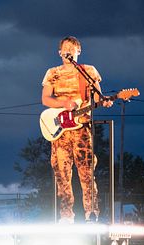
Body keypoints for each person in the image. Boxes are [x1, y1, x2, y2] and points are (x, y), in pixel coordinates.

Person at [41, 35, 112, 223]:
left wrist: (106, 101)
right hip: (60, 129)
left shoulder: (88, 71)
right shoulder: (52, 73)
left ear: (78, 52)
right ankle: (66, 215)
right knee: (61, 172)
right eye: (65, 49)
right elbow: (46, 99)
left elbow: (98, 97)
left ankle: (92, 213)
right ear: (59, 52)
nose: (68, 52)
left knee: (87, 170)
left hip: (82, 128)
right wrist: (64, 102)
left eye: (72, 49)